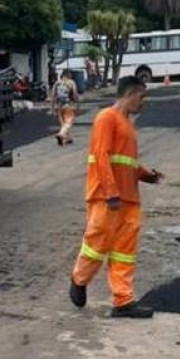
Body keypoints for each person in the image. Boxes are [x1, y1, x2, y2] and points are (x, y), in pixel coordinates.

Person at [68, 76, 164, 318]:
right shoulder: (106, 118)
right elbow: (101, 156)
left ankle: (123, 301)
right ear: (130, 94)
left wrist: (146, 175)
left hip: (129, 198)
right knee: (97, 244)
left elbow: (127, 162)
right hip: (106, 197)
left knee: (124, 251)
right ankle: (79, 280)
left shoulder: (127, 124)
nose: (143, 103)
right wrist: (111, 193)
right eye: (142, 97)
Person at [51, 69, 80, 146]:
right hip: (68, 105)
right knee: (68, 123)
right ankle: (60, 134)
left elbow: (53, 96)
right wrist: (77, 104)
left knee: (63, 124)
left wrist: (52, 108)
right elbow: (75, 94)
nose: (71, 75)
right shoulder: (71, 82)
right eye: (70, 74)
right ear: (68, 75)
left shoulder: (57, 83)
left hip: (59, 106)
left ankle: (66, 139)